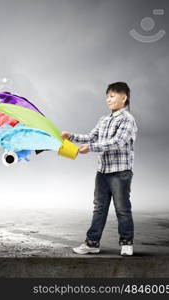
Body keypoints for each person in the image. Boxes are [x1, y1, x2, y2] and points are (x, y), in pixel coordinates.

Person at [62, 82, 138, 256]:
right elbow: (91, 137)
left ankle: (126, 243)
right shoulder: (103, 120)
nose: (108, 99)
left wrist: (91, 148)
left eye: (112, 96)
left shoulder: (128, 120)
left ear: (124, 97)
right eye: (107, 96)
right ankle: (92, 243)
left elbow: (118, 142)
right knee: (99, 208)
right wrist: (71, 136)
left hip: (120, 172)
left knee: (122, 208)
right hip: (102, 171)